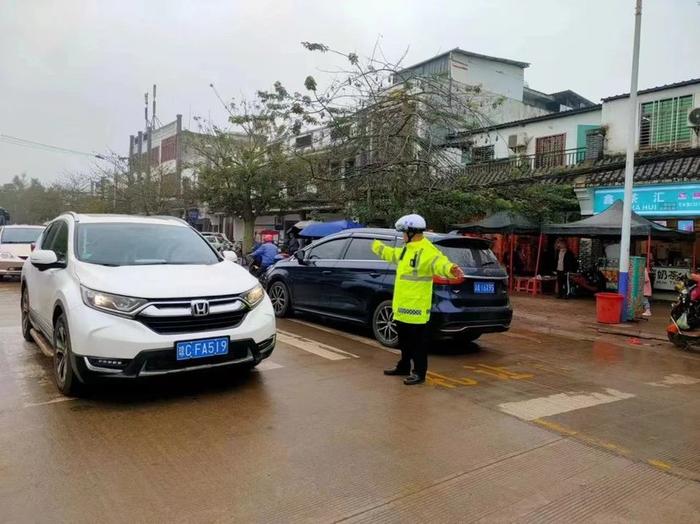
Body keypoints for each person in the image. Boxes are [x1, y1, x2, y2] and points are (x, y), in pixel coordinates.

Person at [372, 214, 464, 385]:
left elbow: (440, 263)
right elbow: (393, 255)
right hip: (401, 305)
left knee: (418, 343)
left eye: (404, 233)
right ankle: (404, 366)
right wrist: (377, 247)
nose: (403, 236)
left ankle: (419, 372)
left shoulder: (427, 250)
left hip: (417, 307)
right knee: (404, 341)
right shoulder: (408, 249)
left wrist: (451, 268)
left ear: (412, 232)